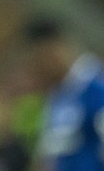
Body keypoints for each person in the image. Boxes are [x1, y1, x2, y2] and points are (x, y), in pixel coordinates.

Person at [24, 17, 104, 171]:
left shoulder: (96, 88)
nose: (37, 69)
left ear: (54, 50)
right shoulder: (55, 98)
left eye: (38, 60)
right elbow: (48, 158)